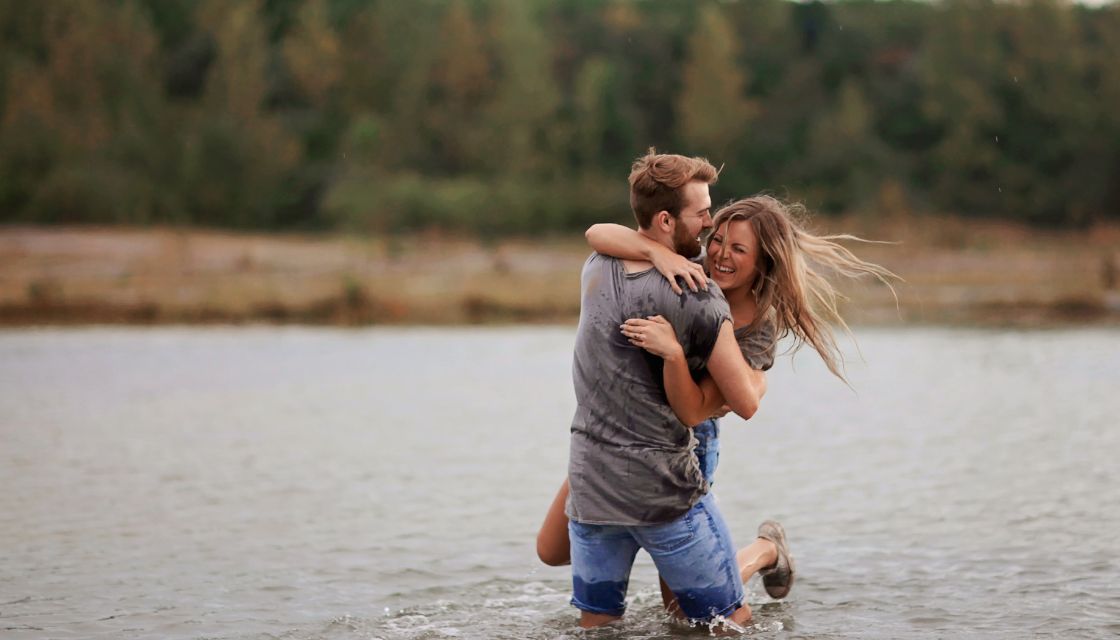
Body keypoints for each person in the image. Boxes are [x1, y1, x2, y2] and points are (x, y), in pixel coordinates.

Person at [539, 190, 898, 624]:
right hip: (617, 433)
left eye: (739, 249)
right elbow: (599, 232)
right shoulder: (689, 272)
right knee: (551, 550)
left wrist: (746, 381)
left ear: (763, 261)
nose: (721, 256)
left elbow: (709, 406)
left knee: (689, 614)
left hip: (685, 441)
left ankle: (766, 551)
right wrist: (659, 253)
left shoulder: (757, 325)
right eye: (718, 240)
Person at [557, 149, 768, 629]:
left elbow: (599, 232)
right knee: (727, 624)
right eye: (702, 213)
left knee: (598, 626)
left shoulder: (596, 264)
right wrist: (757, 375)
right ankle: (765, 552)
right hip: (663, 493)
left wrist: (653, 249)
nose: (711, 223)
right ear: (668, 219)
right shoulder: (698, 293)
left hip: (592, 490)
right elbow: (745, 403)